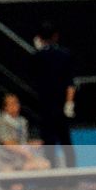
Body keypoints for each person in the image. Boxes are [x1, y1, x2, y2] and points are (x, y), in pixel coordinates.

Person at [31, 23, 77, 168]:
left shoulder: (37, 57)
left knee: (49, 143)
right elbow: (70, 83)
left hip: (45, 106)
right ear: (55, 36)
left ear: (39, 38)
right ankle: (72, 175)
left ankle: (51, 177)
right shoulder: (65, 55)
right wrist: (69, 103)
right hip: (60, 105)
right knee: (66, 141)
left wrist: (39, 50)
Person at [0, 91, 48, 172]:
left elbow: (22, 142)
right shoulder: (1, 122)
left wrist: (32, 144)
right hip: (6, 160)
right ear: (5, 107)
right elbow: (8, 144)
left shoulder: (22, 121)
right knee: (14, 178)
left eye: (16, 103)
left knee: (44, 164)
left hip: (20, 159)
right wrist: (27, 153)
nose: (15, 106)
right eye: (11, 104)